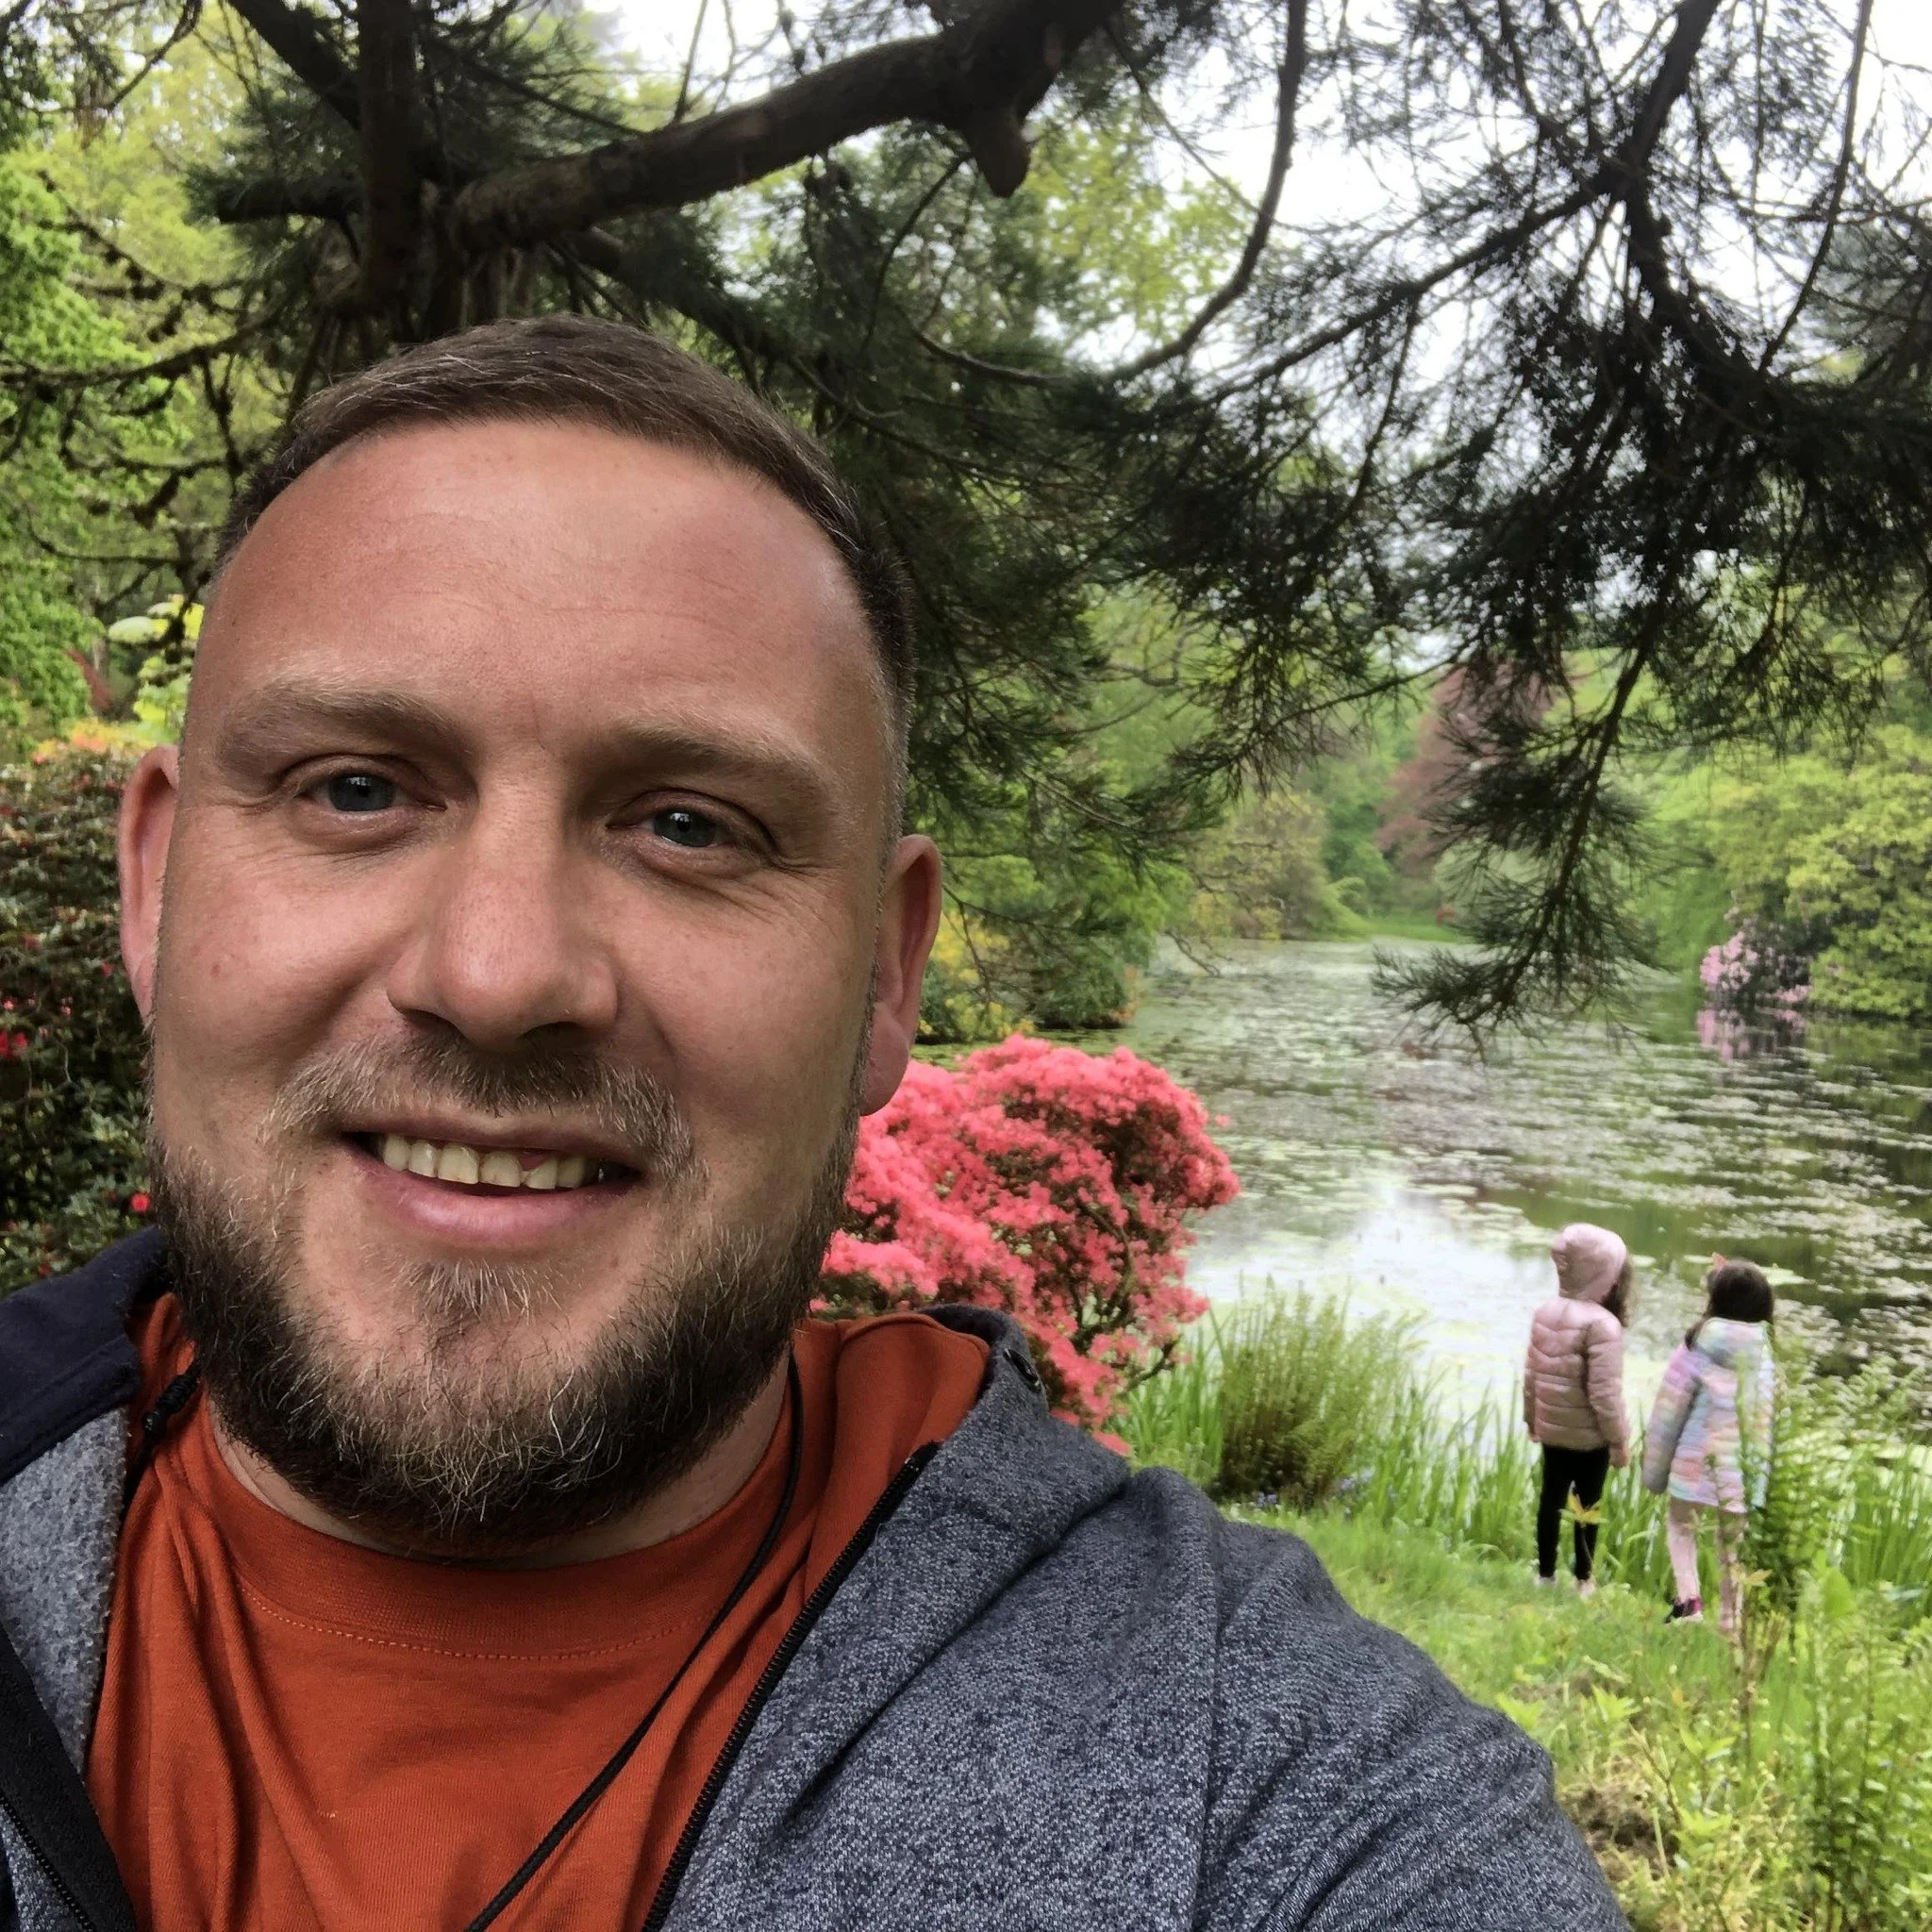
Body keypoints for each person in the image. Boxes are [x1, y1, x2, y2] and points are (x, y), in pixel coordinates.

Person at [0, 317, 1625, 1932]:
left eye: (690, 825)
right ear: (153, 888)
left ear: (883, 973)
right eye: (355, 788)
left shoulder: (1266, 1777)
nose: (494, 973)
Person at [1642, 1256, 1776, 1635]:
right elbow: (1765, 1423)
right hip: (1742, 1471)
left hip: (1693, 1461)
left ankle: (1689, 1604)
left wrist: (1654, 1473)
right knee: (1731, 1545)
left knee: (1681, 1526)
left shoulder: (1696, 1343)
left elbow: (1669, 1410)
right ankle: (1731, 1620)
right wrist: (1759, 1481)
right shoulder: (1765, 1354)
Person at [1523, 1223, 1633, 1599]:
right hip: (1589, 1440)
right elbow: (1605, 1395)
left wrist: (1531, 1418)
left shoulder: (1545, 1312)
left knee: (1549, 1501)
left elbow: (1531, 1374)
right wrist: (1619, 1441)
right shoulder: (1604, 1325)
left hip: (1553, 1431)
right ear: (1606, 1276)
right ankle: (1584, 1580)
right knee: (1588, 1505)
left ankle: (1545, 1574)